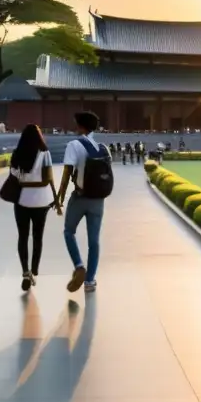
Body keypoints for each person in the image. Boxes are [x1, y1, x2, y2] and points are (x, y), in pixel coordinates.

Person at [57, 111, 112, 294]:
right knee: (94, 241)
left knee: (68, 231)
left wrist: (60, 197)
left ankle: (79, 265)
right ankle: (90, 282)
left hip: (80, 197)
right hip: (98, 201)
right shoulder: (104, 148)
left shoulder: (74, 145)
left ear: (80, 126)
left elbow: (67, 173)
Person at [9, 124, 58, 292]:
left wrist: (25, 182)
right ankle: (34, 270)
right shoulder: (45, 154)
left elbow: (14, 177)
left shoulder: (17, 154)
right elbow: (48, 179)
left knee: (23, 236)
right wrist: (56, 198)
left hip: (21, 200)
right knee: (38, 236)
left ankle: (25, 271)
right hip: (41, 201)